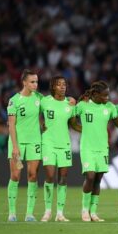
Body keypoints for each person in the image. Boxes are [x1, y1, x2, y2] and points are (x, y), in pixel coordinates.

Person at [75, 81, 118, 222]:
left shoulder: (110, 107)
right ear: (95, 94)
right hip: (87, 147)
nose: (107, 98)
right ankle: (84, 211)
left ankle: (93, 212)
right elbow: (70, 120)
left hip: (102, 148)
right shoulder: (83, 105)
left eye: (108, 95)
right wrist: (81, 129)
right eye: (104, 95)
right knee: (90, 176)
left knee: (98, 179)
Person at [40, 76, 81, 222]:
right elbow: (34, 113)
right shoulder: (45, 101)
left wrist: (87, 130)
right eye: (59, 85)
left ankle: (60, 213)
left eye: (64, 84)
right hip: (48, 143)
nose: (63, 87)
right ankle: (47, 211)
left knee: (63, 178)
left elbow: (74, 125)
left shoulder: (70, 105)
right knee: (50, 176)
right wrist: (40, 125)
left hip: (64, 144)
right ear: (53, 87)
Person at [7, 69, 42, 222]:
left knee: (32, 176)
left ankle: (29, 214)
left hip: (35, 142)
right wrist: (15, 146)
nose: (35, 84)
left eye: (36, 82)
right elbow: (11, 125)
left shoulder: (39, 98)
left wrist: (70, 101)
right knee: (15, 175)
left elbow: (55, 103)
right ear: (24, 83)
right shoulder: (14, 100)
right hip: (18, 143)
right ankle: (12, 213)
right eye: (32, 82)